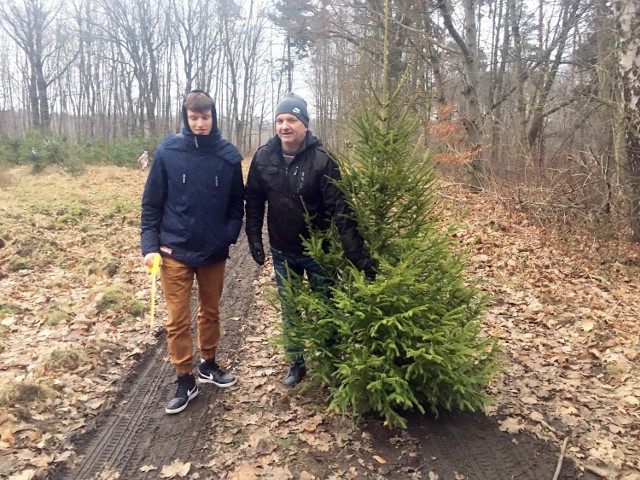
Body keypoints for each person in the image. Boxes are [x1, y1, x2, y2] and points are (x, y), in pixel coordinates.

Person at [244, 92, 375, 387]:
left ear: (304, 124)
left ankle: (329, 359)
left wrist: (356, 255)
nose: (284, 126)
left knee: (324, 305)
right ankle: (296, 360)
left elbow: (340, 211)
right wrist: (254, 237)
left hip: (319, 252)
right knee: (290, 308)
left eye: (291, 119)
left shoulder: (322, 160)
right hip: (282, 249)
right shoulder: (264, 157)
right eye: (279, 120)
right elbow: (253, 200)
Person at [141, 89, 244, 414]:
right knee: (177, 319)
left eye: (206, 117)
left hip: (213, 251)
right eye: (194, 117)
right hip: (174, 250)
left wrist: (228, 235)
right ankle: (184, 379)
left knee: (210, 311)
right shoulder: (168, 152)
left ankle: (209, 364)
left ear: (214, 118)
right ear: (186, 118)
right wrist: (149, 246)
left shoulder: (228, 156)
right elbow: (151, 203)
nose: (200, 123)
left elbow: (236, 204)